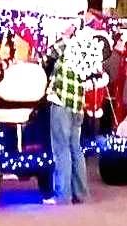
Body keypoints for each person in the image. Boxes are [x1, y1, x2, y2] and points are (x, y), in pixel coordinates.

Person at [42, 17, 110, 205]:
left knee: (61, 149)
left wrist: (67, 32)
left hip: (61, 101)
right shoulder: (87, 51)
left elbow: (50, 52)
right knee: (75, 148)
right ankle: (81, 194)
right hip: (77, 104)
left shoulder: (70, 44)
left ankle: (62, 195)